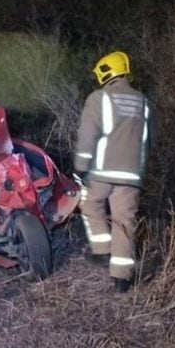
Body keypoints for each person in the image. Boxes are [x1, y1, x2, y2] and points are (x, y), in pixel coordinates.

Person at [73, 51, 151, 293]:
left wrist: (81, 166)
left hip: (103, 172)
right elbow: (149, 139)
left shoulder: (99, 98)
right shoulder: (143, 102)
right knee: (124, 222)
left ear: (105, 72)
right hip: (132, 175)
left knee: (89, 203)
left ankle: (102, 251)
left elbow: (88, 136)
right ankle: (122, 279)